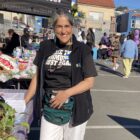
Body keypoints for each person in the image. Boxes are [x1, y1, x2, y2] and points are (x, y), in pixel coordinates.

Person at [24, 10, 97, 140]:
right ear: (53, 28)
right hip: (50, 107)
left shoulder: (82, 50)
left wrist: (66, 93)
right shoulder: (45, 47)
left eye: (67, 26)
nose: (63, 31)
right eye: (59, 26)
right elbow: (37, 77)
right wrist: (24, 102)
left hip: (75, 108)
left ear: (72, 27)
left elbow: (89, 81)